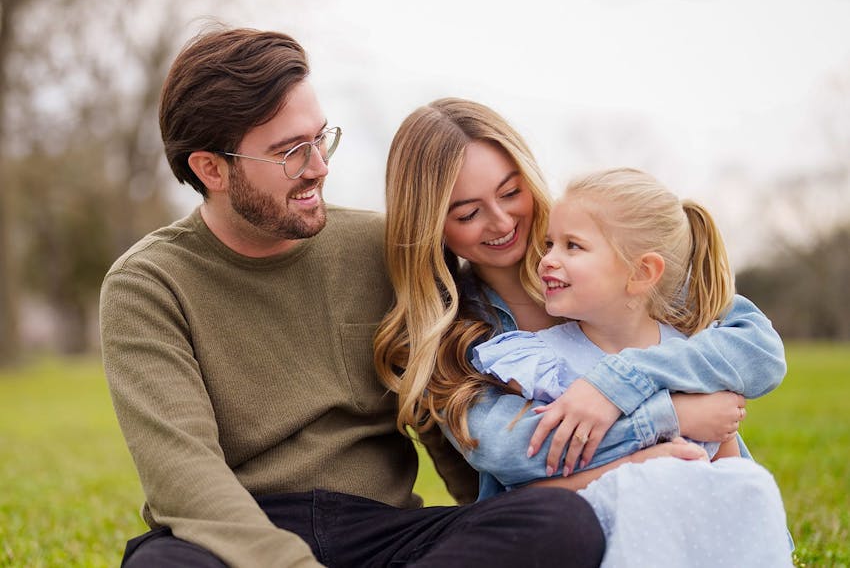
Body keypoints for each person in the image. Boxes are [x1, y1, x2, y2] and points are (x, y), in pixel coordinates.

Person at [100, 28, 607, 567]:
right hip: (235, 538)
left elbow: (446, 420)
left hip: (382, 533)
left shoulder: (385, 249)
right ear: (210, 168)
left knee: (559, 523)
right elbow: (183, 475)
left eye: (320, 139)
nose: (319, 166)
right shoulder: (147, 286)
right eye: (290, 153)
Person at [375, 98, 791, 565]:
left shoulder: (617, 266)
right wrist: (665, 414)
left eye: (511, 193)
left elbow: (757, 349)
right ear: (432, 227)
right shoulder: (454, 338)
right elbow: (510, 450)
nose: (501, 221)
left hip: (700, 519)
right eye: (468, 214)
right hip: (561, 532)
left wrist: (617, 382)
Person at [469, 167, 792, 564]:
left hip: (684, 542)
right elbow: (520, 490)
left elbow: (727, 468)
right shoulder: (539, 362)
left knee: (750, 482)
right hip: (582, 539)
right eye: (550, 243)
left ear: (641, 273)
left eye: (573, 246)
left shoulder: (688, 357)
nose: (547, 259)